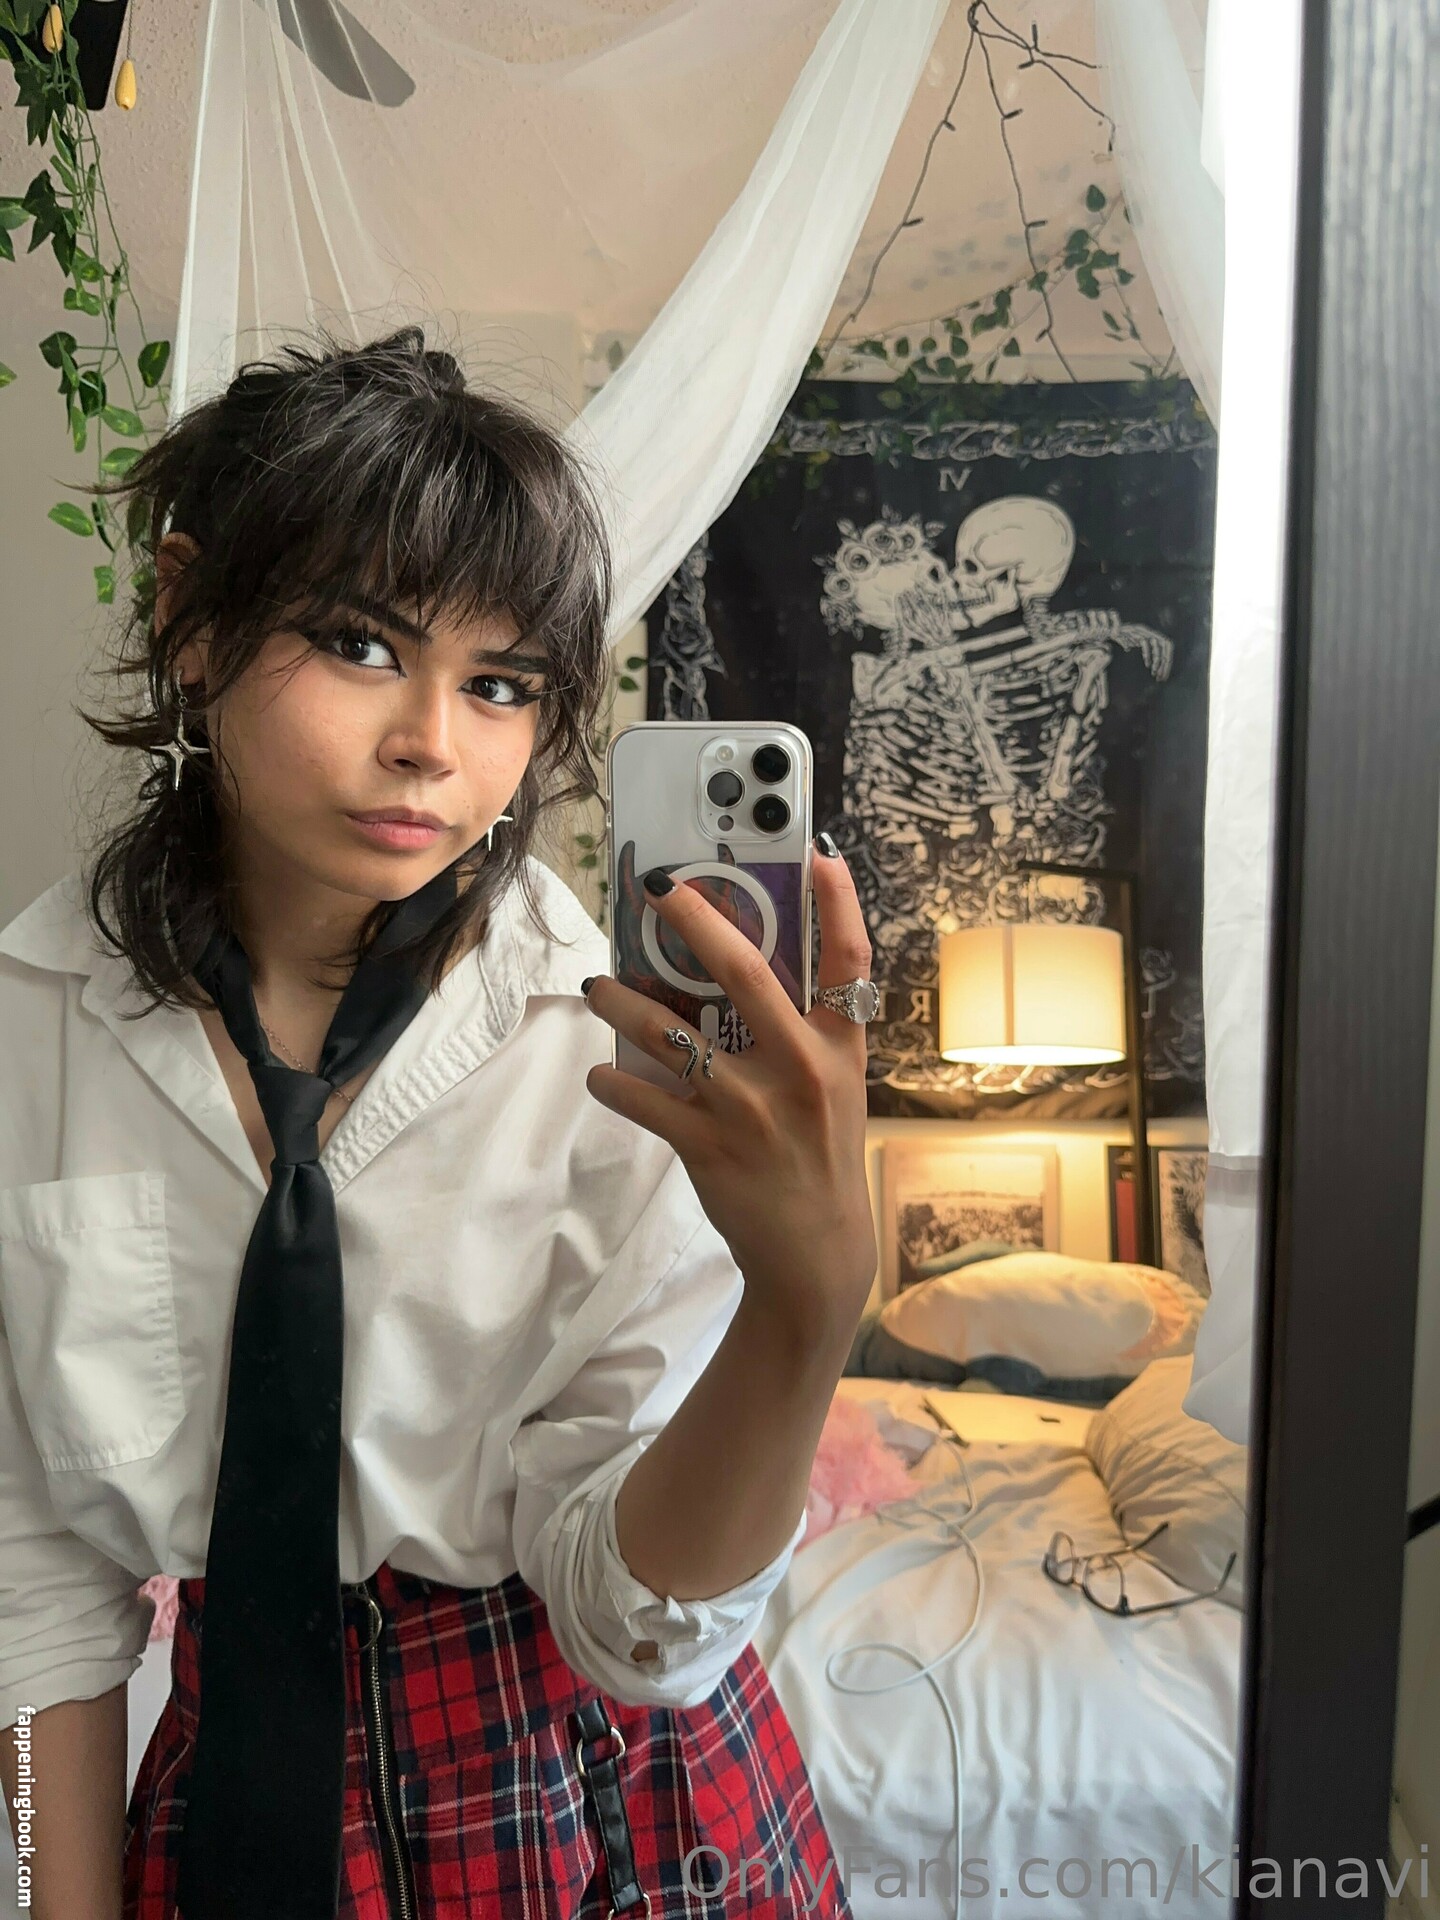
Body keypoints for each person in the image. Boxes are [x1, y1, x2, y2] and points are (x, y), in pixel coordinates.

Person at [0, 327, 878, 1919]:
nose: (433, 742)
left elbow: (638, 1633)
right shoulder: (28, 1029)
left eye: (500, 684)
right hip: (219, 1797)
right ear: (190, 617)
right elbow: (31, 1587)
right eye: (358, 643)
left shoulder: (609, 1048)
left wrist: (807, 1308)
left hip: (605, 1801)